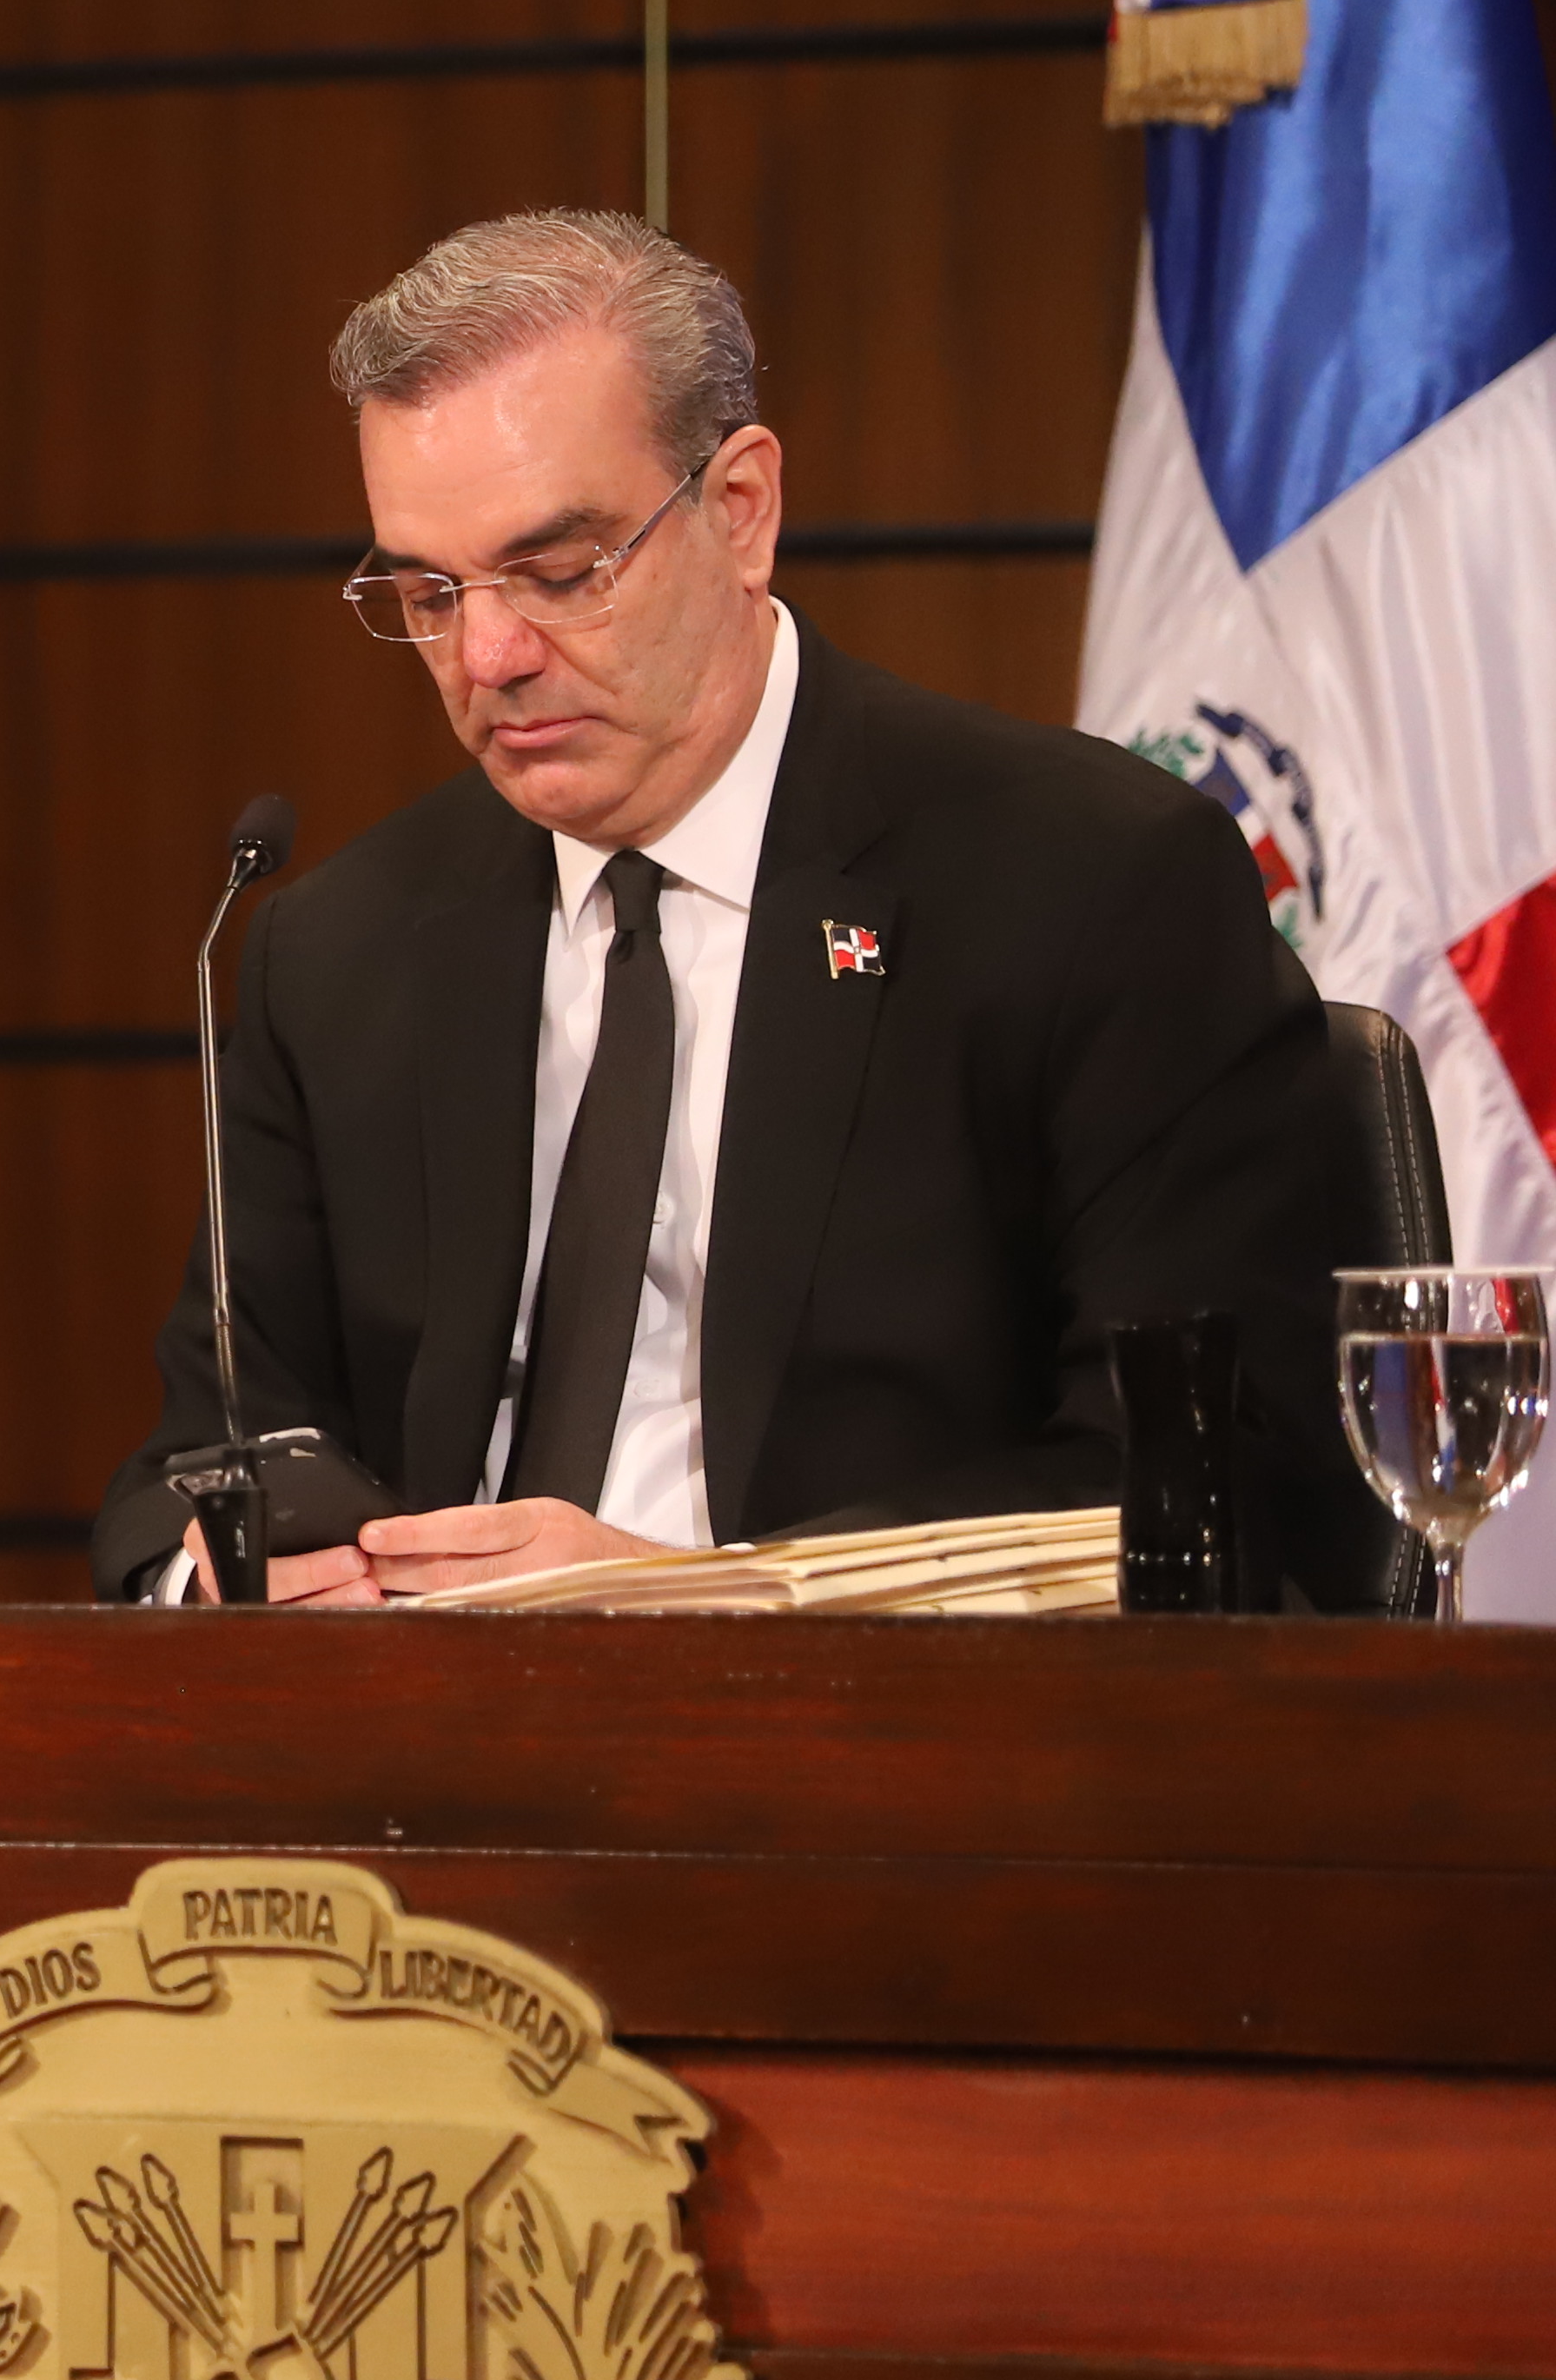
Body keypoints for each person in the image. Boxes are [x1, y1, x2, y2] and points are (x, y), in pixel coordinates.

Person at [94, 211, 1386, 1607]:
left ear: (742, 510)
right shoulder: (337, 952)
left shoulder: (1094, 888)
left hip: (881, 1723)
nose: (489, 653)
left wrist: (711, 1596)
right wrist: (225, 1589)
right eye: (428, 591)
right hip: (424, 1724)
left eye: (561, 570)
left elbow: (1195, 1480)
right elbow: (196, 1462)